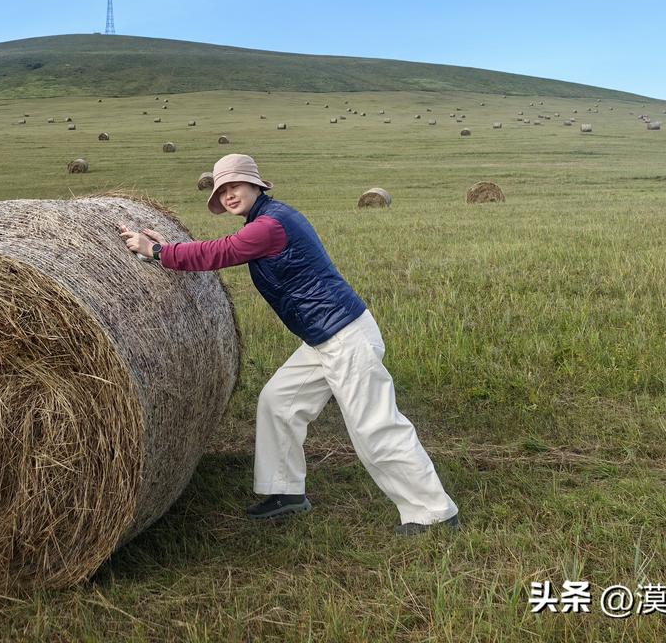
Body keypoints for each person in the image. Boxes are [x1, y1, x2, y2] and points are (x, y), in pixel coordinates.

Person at [118, 152, 460, 534]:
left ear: (255, 184)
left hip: (344, 336)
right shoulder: (265, 220)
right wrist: (167, 249)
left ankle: (433, 512)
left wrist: (159, 252)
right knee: (279, 401)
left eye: (236, 186)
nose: (230, 195)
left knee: (375, 427)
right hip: (323, 337)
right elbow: (223, 247)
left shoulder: (271, 224)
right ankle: (285, 493)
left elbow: (221, 252)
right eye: (223, 190)